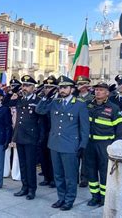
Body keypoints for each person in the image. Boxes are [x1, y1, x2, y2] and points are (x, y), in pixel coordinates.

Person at [36, 76, 90, 211]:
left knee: (70, 176)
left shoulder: (79, 104)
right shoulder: (55, 102)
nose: (62, 90)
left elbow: (84, 127)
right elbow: (39, 110)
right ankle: (61, 198)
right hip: (54, 144)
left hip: (70, 145)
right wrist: (45, 96)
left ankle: (69, 200)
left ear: (72, 89)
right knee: (58, 174)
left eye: (65, 87)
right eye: (60, 87)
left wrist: (83, 145)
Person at [85, 81, 122, 207]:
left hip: (105, 144)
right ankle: (94, 196)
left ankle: (104, 197)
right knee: (90, 170)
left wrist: (115, 147)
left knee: (104, 171)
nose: (98, 92)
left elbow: (119, 129)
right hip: (90, 143)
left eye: (101, 90)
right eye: (96, 90)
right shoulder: (88, 105)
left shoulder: (113, 108)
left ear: (107, 93)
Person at [9, 75, 43, 200]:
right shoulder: (19, 99)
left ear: (33, 88)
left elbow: (41, 121)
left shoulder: (38, 100)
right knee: (22, 164)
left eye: (28, 85)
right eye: (23, 85)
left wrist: (40, 138)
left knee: (30, 165)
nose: (25, 88)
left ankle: (32, 189)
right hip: (20, 135)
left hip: (31, 137)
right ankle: (24, 187)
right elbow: (7, 102)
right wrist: (14, 92)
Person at [38, 76, 57, 188]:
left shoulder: (57, 99)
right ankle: (46, 177)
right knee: (43, 156)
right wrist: (45, 97)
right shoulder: (44, 98)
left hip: (52, 131)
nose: (47, 89)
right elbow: (38, 110)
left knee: (52, 158)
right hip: (42, 131)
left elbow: (44, 110)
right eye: (46, 87)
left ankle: (53, 179)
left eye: (50, 87)